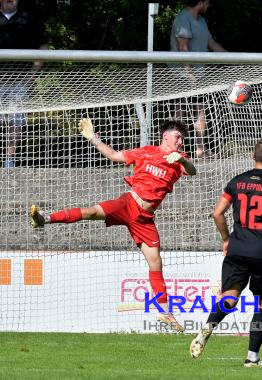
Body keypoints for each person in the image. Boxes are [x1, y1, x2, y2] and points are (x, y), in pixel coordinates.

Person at [30, 118, 197, 332]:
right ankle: (45, 219)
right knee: (90, 212)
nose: (180, 141)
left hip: (145, 218)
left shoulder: (180, 159)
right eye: (177, 137)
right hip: (128, 203)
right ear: (166, 136)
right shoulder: (145, 151)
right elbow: (113, 155)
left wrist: (182, 161)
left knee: (156, 262)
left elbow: (192, 171)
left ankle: (165, 313)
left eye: (182, 138)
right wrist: (93, 138)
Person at [190, 138, 262, 367]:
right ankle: (252, 358)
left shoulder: (238, 181)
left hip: (237, 248)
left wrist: (226, 239)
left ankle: (208, 327)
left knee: (229, 298)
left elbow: (217, 213)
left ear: (253, 156)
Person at [170, 0, 226, 159]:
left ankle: (200, 150)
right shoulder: (182, 19)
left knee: (200, 110)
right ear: (200, 2)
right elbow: (183, 47)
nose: (209, 5)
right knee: (180, 112)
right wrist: (189, 73)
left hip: (199, 75)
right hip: (181, 74)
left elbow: (212, 43)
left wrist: (233, 59)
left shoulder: (201, 21)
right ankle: (174, 150)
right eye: (208, 2)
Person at [0, 0, 48, 168]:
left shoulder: (29, 19)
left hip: (19, 83)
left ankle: (9, 161)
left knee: (15, 123)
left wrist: (33, 74)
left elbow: (43, 47)